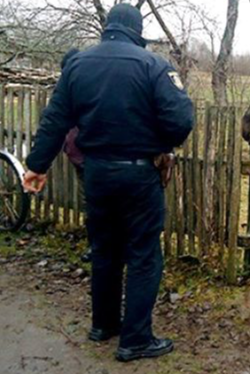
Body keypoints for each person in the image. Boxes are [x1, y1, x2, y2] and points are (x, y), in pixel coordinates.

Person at [23, 3, 193, 362]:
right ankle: (135, 339)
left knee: (104, 249)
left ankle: (104, 325)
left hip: (97, 172)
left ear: (107, 27)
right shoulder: (154, 66)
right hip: (138, 174)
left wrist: (36, 166)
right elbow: (181, 120)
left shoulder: (79, 65)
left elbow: (55, 120)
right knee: (144, 254)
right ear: (137, 30)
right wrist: (160, 143)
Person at [59, 48, 93, 263]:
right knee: (90, 204)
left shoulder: (86, 89)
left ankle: (100, 246)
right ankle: (96, 245)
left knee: (95, 204)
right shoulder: (72, 89)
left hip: (92, 156)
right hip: (80, 156)